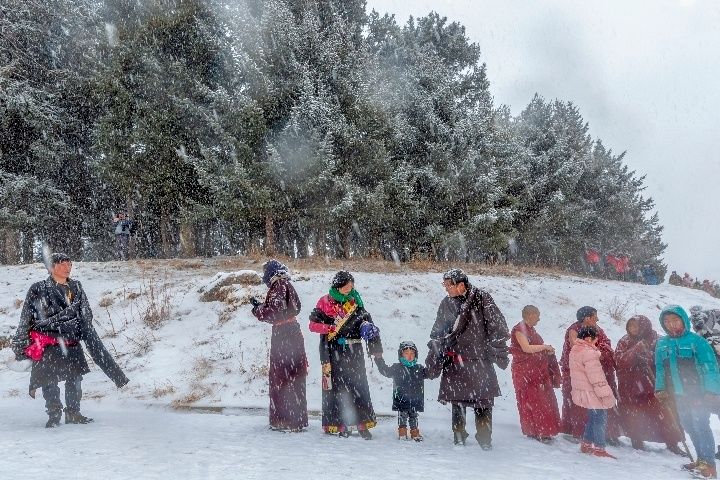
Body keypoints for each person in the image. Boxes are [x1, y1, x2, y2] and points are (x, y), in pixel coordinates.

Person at [11, 253, 129, 428]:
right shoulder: (38, 288)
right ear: (51, 267)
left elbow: (86, 313)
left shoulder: (76, 287)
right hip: (48, 342)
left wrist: (79, 327)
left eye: (69, 264)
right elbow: (27, 317)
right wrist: (20, 343)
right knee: (49, 381)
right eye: (63, 264)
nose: (68, 267)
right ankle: (54, 414)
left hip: (71, 340)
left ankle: (73, 413)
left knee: (75, 379)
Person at [425, 268, 509, 449]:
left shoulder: (482, 299)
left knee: (483, 403)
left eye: (448, 285)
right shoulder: (446, 303)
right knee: (457, 402)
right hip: (456, 359)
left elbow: (497, 325)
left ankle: (485, 439)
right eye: (445, 284)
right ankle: (459, 436)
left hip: (480, 360)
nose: (446, 288)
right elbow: (439, 330)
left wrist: (494, 348)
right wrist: (437, 350)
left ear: (461, 285)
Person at [308, 271, 383, 439]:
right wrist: (329, 328)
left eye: (351, 284)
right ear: (338, 285)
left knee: (358, 387)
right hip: (333, 351)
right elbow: (312, 325)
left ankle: (362, 424)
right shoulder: (325, 302)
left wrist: (367, 330)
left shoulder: (356, 301)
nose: (350, 287)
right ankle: (339, 424)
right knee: (336, 389)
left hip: (354, 352)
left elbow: (366, 321)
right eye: (346, 284)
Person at [655, 305, 720, 479]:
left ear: (683, 320)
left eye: (675, 320)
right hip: (678, 394)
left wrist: (711, 391)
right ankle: (701, 460)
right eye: (667, 321)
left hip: (698, 393)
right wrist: (660, 388)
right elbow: (660, 369)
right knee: (689, 426)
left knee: (701, 425)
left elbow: (711, 368)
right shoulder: (662, 343)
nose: (671, 324)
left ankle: (709, 465)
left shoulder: (697, 342)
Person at [250, 260, 308, 432]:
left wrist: (258, 310)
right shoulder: (286, 284)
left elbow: (274, 313)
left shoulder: (278, 286)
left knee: (281, 376)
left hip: (283, 334)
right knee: (295, 374)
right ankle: (296, 419)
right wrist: (262, 306)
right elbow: (292, 308)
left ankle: (284, 421)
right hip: (293, 331)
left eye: (265, 272)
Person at [614, 315, 685, 454]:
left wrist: (647, 357)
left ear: (644, 326)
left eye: (636, 326)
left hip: (652, 383)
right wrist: (636, 350)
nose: (633, 329)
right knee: (633, 414)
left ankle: (672, 442)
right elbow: (619, 360)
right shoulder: (624, 340)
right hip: (630, 386)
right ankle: (636, 439)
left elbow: (663, 359)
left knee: (663, 413)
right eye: (630, 326)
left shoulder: (657, 339)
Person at [560, 306, 621, 442]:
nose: (597, 319)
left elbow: (605, 344)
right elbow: (577, 347)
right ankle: (579, 432)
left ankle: (607, 433)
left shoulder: (598, 330)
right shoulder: (574, 330)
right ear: (587, 318)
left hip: (599, 370)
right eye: (595, 316)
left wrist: (604, 351)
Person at [509, 305, 561, 443]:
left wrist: (547, 351)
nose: (539, 318)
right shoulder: (519, 329)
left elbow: (535, 347)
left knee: (543, 401)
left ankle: (543, 430)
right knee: (531, 401)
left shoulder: (531, 330)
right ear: (530, 314)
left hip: (537, 371)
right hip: (525, 371)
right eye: (537, 315)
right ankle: (535, 430)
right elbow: (526, 348)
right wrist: (544, 347)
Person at [569, 326, 618, 459]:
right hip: (593, 391)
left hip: (584, 391)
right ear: (589, 338)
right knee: (600, 419)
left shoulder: (575, 350)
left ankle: (586, 444)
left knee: (593, 418)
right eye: (596, 339)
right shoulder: (589, 353)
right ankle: (599, 448)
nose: (596, 342)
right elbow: (596, 377)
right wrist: (604, 393)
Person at [374, 341, 428, 441]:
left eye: (412, 353)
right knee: (402, 416)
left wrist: (435, 359)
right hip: (401, 398)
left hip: (415, 399)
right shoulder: (396, 368)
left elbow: (431, 373)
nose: (409, 356)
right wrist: (379, 359)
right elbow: (385, 371)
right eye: (406, 353)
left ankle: (414, 432)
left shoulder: (419, 368)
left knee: (414, 416)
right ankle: (402, 432)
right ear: (401, 354)